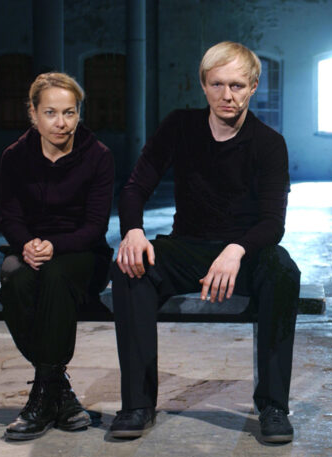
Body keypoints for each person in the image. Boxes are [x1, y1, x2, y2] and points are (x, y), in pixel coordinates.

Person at [109, 41, 300, 443]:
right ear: (203, 85)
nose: (227, 95)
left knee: (283, 270)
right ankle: (137, 405)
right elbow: (135, 187)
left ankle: (273, 406)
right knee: (128, 267)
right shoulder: (180, 126)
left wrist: (236, 249)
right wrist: (133, 231)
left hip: (244, 255)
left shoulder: (268, 143)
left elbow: (272, 223)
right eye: (217, 84)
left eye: (237, 85)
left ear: (253, 87)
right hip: (188, 247)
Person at [0, 72, 115, 440]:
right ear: (33, 113)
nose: (61, 123)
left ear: (79, 113)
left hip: (83, 253)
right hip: (30, 250)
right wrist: (27, 245)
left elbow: (95, 226)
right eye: (50, 113)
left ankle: (40, 398)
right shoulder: (15, 157)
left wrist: (55, 247)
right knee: (15, 277)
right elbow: (10, 217)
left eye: (69, 112)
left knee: (55, 275)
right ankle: (58, 391)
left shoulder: (98, 156)